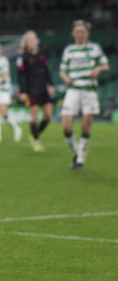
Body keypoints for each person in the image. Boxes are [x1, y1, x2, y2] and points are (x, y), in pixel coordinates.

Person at [59, 20, 109, 169]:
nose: (80, 33)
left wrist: (99, 69)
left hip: (89, 90)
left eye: (82, 31)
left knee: (86, 128)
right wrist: (66, 78)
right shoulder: (69, 50)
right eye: (77, 31)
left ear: (87, 33)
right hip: (73, 90)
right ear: (73, 33)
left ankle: (80, 159)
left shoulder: (95, 48)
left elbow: (105, 65)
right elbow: (62, 70)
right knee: (66, 128)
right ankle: (77, 152)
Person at [16, 30, 55, 152]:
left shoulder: (42, 54)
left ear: (37, 41)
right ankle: (36, 141)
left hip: (43, 88)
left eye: (34, 39)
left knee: (48, 116)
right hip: (31, 90)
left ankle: (35, 134)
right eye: (30, 40)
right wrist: (22, 91)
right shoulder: (23, 58)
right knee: (34, 117)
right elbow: (20, 76)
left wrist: (51, 84)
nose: (33, 41)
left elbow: (47, 71)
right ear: (26, 43)